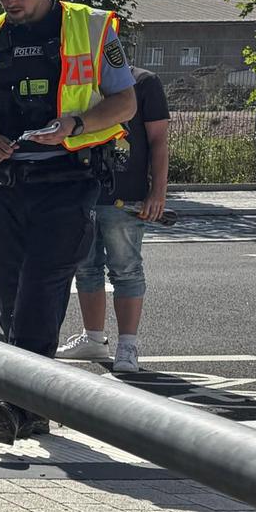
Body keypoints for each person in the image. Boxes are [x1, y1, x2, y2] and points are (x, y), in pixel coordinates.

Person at [0, 0, 138, 443]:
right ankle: (33, 403)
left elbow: (126, 103)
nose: (11, 2)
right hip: (4, 181)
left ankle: (18, 403)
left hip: (68, 179)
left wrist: (73, 123)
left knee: (41, 289)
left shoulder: (89, 27)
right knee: (9, 294)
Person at [57, 67, 169, 372]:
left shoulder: (145, 82)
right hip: (81, 190)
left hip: (126, 195)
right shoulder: (80, 78)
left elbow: (158, 139)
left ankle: (127, 345)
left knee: (126, 269)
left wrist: (158, 191)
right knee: (86, 267)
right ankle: (93, 338)